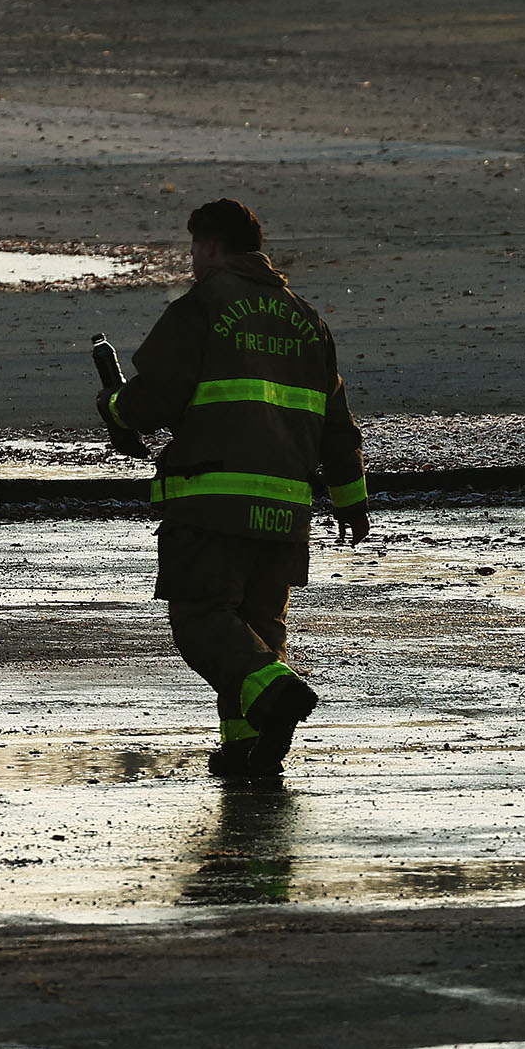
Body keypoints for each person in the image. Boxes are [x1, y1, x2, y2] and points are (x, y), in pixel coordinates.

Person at [99, 198, 369, 780]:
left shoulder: (204, 304)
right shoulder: (306, 318)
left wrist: (114, 407)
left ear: (211, 245)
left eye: (194, 247)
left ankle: (279, 693)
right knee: (257, 627)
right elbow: (336, 420)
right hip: (287, 511)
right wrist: (351, 499)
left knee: (202, 619)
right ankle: (248, 747)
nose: (192, 260)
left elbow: (152, 400)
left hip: (213, 500)